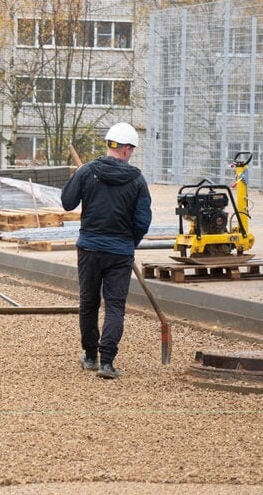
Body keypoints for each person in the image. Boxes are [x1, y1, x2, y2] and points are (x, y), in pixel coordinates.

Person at [61, 121, 151, 380]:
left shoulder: (87, 171)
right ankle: (107, 362)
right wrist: (129, 243)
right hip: (120, 251)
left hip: (89, 247)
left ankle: (90, 356)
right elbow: (143, 220)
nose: (130, 154)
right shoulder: (137, 180)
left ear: (110, 145)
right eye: (131, 150)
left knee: (88, 302)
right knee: (114, 306)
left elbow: (67, 202)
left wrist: (78, 178)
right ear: (125, 149)